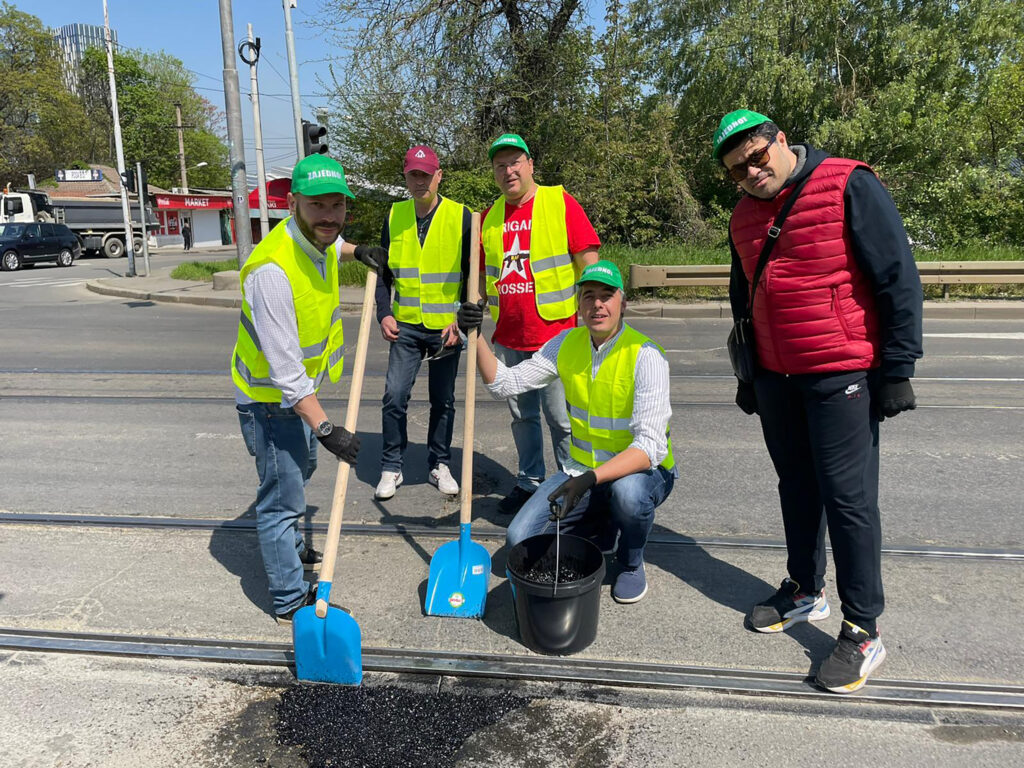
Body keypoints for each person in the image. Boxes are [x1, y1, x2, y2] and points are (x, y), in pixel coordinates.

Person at [713, 109, 923, 693]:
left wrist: (898, 368)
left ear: (781, 141)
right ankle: (805, 590)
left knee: (849, 500)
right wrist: (749, 374)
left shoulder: (848, 183)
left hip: (839, 374)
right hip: (777, 377)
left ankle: (863, 631)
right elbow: (741, 295)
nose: (752, 173)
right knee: (796, 487)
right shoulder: (743, 216)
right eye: (737, 170)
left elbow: (897, 277)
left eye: (757, 156)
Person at [458, 261, 675, 604]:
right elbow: (506, 383)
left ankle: (631, 562)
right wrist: (475, 336)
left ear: (623, 302)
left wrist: (589, 479)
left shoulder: (646, 355)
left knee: (629, 497)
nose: (597, 304)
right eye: (588, 296)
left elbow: (649, 448)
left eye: (607, 296)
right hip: (580, 471)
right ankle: (602, 525)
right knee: (519, 540)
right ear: (578, 304)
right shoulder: (566, 343)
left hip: (641, 473)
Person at [230, 154, 386, 624]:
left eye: (337, 205)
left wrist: (357, 251)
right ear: (293, 203)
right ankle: (289, 600)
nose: (330, 216)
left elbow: (329, 243)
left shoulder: (318, 238)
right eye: (318, 205)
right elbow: (285, 375)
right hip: (270, 401)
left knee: (304, 468)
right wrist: (327, 428)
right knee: (282, 500)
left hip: (293, 398)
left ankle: (291, 548)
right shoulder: (272, 272)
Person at [481, 133, 601, 516]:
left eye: (515, 162)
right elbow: (483, 277)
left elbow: (590, 263)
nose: (508, 170)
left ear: (530, 164)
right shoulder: (487, 218)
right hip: (509, 335)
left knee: (561, 419)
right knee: (522, 417)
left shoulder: (558, 202)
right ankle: (528, 482)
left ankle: (571, 481)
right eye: (500, 166)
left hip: (557, 337)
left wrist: (598, 320)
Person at [373, 145, 472, 500]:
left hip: (446, 329)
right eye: (414, 175)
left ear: (439, 176)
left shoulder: (462, 217)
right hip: (406, 327)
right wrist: (383, 311)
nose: (419, 182)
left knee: (443, 400)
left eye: (426, 175)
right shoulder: (394, 215)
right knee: (394, 396)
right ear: (406, 176)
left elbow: (473, 277)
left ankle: (439, 463)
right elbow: (383, 274)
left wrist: (461, 321)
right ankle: (391, 466)